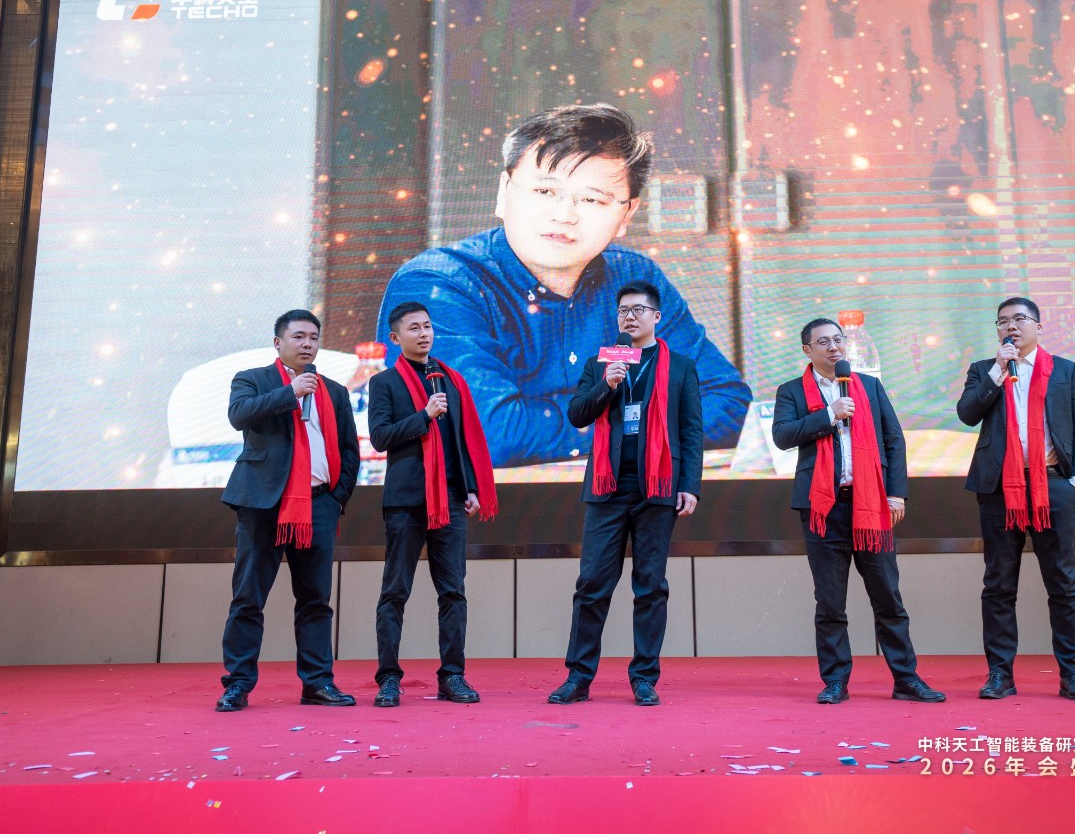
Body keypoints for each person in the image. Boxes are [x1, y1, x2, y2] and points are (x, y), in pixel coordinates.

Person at [374, 103, 750, 467]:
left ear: (626, 214)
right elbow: (485, 433)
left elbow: (728, 403)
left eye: (591, 199)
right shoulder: (437, 285)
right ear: (504, 192)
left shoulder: (636, 279)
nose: (564, 215)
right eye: (544, 192)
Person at [771, 317, 946, 705]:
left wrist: (896, 494)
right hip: (823, 508)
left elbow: (894, 440)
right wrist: (829, 415)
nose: (834, 347)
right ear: (807, 350)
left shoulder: (868, 386)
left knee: (888, 597)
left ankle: (906, 679)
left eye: (838, 340)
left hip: (871, 505)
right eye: (824, 342)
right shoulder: (791, 391)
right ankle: (835, 681)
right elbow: (782, 436)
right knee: (830, 601)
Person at [547, 281, 701, 706]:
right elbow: (577, 414)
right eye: (622, 311)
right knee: (592, 584)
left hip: (658, 488)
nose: (629, 317)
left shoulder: (681, 367)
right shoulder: (601, 363)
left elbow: (691, 431)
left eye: (637, 310)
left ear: (656, 316)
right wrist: (607, 385)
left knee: (650, 586)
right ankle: (578, 677)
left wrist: (690, 485)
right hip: (607, 488)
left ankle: (644, 678)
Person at [216, 309, 359, 712]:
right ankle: (237, 684)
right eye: (298, 336)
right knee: (248, 598)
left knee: (315, 600)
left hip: (318, 506)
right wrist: (290, 392)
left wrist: (336, 498)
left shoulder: (335, 391)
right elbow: (239, 415)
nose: (307, 343)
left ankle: (317, 683)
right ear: (278, 342)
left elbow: (349, 450)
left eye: (313, 337)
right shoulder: (252, 379)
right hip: (263, 504)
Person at [956, 296, 1075, 702]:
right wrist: (998, 372)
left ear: (1038, 326)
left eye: (1019, 319)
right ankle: (1000, 675)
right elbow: (967, 413)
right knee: (998, 585)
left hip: (1053, 485)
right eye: (1003, 321)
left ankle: (1073, 675)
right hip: (1000, 490)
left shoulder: (1065, 370)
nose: (1011, 327)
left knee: (1063, 584)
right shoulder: (984, 370)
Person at [366, 301, 500, 707]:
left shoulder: (450, 379)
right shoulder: (385, 383)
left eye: (427, 326)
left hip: (451, 500)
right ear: (395, 337)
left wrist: (470, 487)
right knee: (395, 592)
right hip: (407, 502)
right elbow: (380, 437)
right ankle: (389, 678)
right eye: (414, 328)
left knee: (453, 592)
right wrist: (424, 415)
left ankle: (452, 676)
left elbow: (460, 439)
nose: (423, 334)